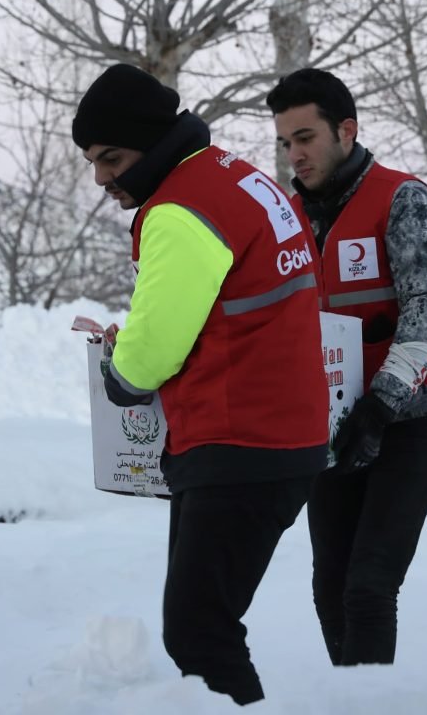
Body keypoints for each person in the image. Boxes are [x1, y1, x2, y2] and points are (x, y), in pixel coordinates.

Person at [72, 63, 329, 705]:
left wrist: (121, 372)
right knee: (202, 627)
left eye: (112, 157)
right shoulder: (233, 175)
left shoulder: (182, 207)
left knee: (198, 632)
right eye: (92, 160)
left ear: (152, 143)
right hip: (273, 433)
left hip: (240, 438)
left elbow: (152, 350)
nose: (101, 176)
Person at [266, 68, 427, 666]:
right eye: (284, 142)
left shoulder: (404, 200)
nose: (294, 155)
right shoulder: (285, 218)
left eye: (305, 137)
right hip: (332, 426)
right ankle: (351, 697)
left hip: (409, 422)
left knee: (369, 585)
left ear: (345, 131)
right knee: (330, 586)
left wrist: (381, 404)